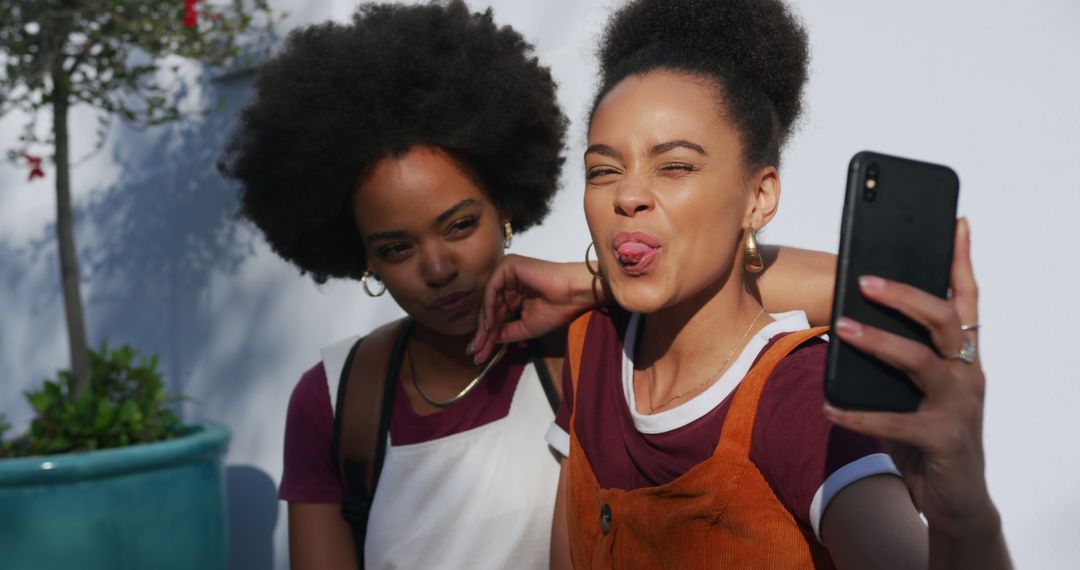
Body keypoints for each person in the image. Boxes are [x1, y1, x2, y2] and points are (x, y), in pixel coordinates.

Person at [220, 1, 836, 568]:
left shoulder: (589, 345)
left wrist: (591, 283)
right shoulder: (336, 400)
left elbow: (833, 292)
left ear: (505, 208)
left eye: (460, 225)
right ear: (363, 260)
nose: (438, 268)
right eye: (396, 248)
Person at [469, 0, 1011, 568]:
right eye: (603, 170)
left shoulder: (802, 398)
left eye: (675, 165)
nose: (627, 195)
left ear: (760, 198)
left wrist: (965, 516)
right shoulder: (592, 344)